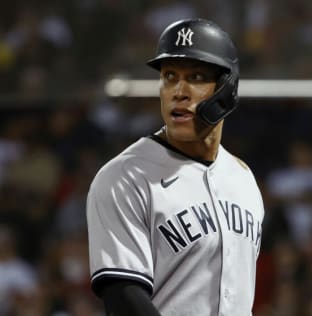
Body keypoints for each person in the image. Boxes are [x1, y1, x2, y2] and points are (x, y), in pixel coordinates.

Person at [86, 18, 265, 316]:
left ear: (226, 90)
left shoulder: (244, 180)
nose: (178, 91)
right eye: (169, 76)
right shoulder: (124, 178)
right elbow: (124, 299)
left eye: (195, 77)